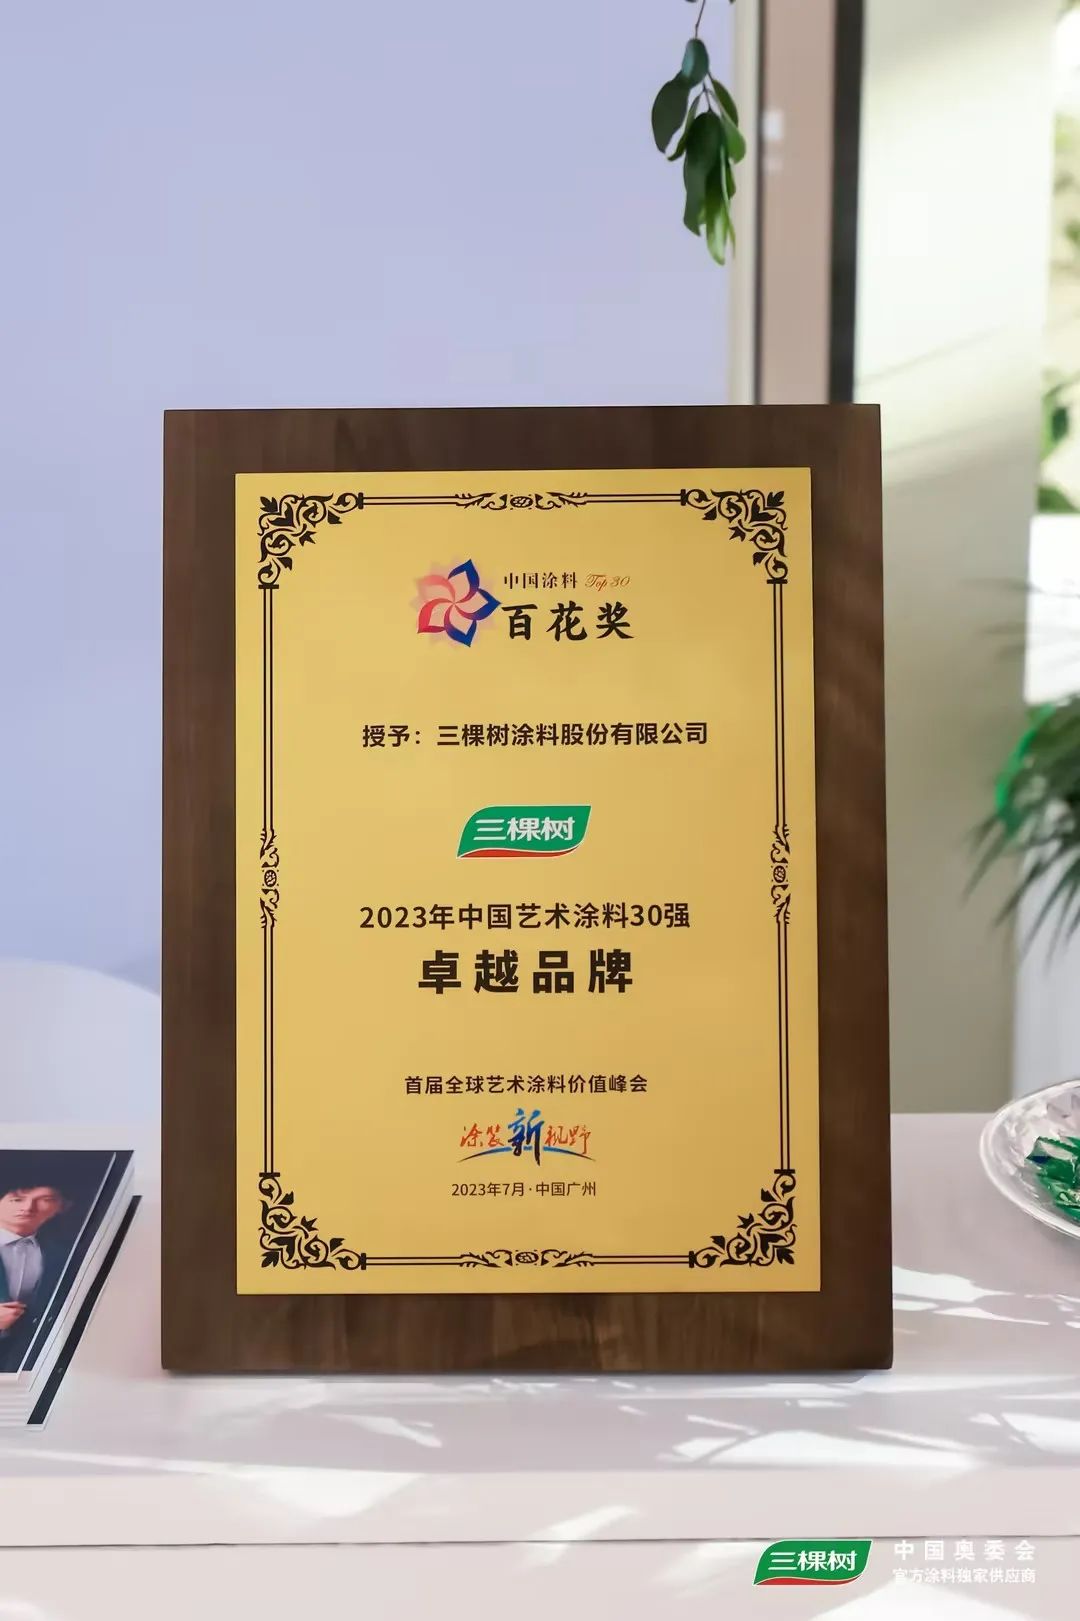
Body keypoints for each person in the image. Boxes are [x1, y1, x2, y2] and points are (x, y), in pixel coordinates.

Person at [0, 1159, 74, 1373]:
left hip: (32, 1364)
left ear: (62, 1206)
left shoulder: (64, 1253)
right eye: (17, 1199)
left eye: (45, 1199)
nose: (28, 1208)